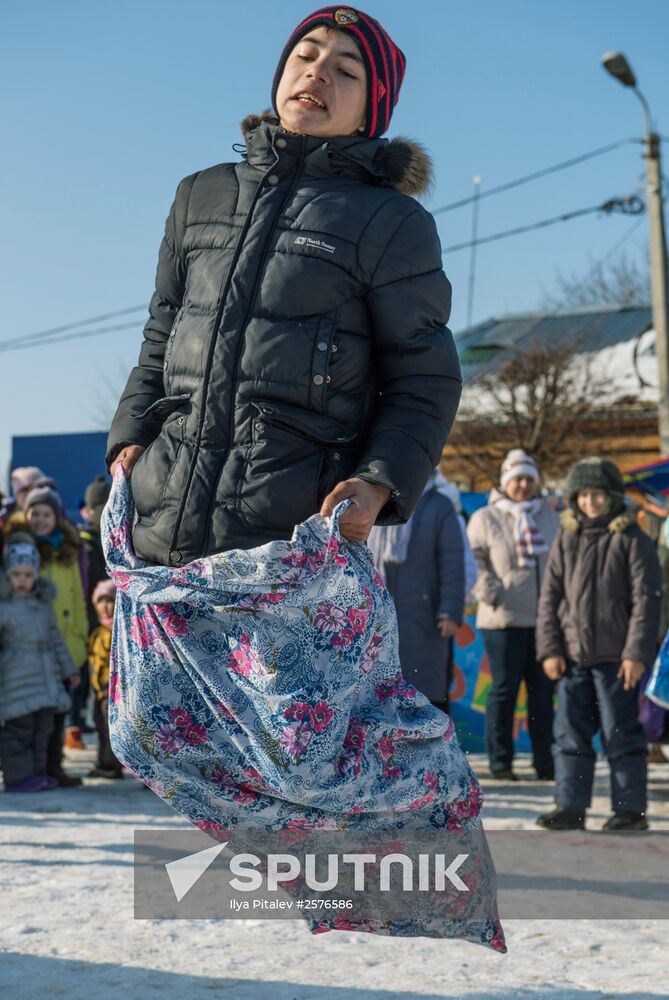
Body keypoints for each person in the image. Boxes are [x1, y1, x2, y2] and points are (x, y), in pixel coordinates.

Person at [106, 5, 461, 567]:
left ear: (372, 111)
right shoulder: (200, 195)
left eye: (347, 71)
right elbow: (162, 330)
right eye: (306, 55)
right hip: (159, 530)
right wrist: (130, 437)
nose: (318, 73)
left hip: (294, 544)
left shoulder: (392, 222)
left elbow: (425, 378)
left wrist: (377, 481)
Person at [536, 457, 662, 831]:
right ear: (575, 499)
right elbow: (550, 596)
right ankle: (570, 806)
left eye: (599, 495)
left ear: (613, 497)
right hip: (572, 657)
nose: (592, 502)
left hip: (617, 659)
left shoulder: (632, 539)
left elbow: (647, 600)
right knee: (569, 733)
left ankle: (629, 811)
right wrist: (551, 649)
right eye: (585, 495)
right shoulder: (567, 538)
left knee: (621, 733)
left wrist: (636, 654)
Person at [467, 449, 559, 781]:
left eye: (528, 479)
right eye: (516, 479)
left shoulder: (549, 515)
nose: (522, 485)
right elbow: (473, 560)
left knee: (542, 692)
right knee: (505, 689)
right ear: (506, 482)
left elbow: (560, 560)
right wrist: (493, 592)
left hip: (544, 620)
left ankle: (544, 762)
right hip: (503, 618)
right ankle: (501, 761)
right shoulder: (486, 517)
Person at [6, 485, 88, 784]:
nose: (41, 520)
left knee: (59, 710)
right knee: (34, 714)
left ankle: (54, 767)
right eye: (35, 513)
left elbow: (79, 593)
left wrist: (80, 633)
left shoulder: (68, 550)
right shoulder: (21, 551)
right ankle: (30, 771)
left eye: (46, 514)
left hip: (64, 641)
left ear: (56, 516)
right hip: (30, 642)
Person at [368, 469, 465, 712]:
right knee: (379, 695)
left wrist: (450, 611)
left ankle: (434, 747)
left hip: (425, 614)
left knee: (425, 691)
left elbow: (452, 561)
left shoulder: (439, 505)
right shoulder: (374, 501)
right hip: (378, 614)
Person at [0, 539, 80, 793]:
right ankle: (17, 778)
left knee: (43, 731)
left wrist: (69, 669)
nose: (22, 580)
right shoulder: (4, 609)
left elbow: (55, 640)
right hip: (16, 680)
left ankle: (38, 774)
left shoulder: (43, 607)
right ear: (7, 576)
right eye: (16, 574)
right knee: (18, 733)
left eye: (27, 574)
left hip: (46, 680)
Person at [87, 579, 123, 779]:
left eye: (109, 600)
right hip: (99, 690)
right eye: (100, 602)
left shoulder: (120, 632)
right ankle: (106, 762)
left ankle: (111, 764)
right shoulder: (97, 633)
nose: (105, 607)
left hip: (116, 690)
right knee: (101, 725)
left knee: (112, 727)